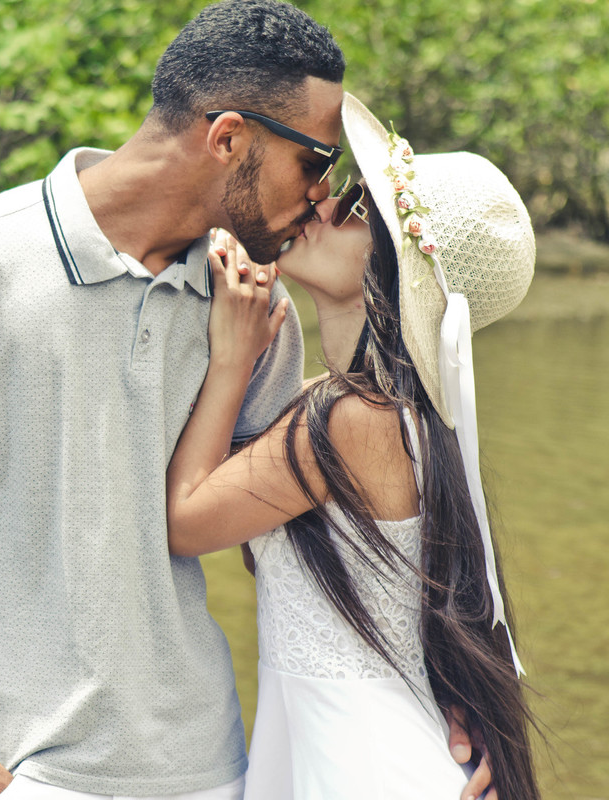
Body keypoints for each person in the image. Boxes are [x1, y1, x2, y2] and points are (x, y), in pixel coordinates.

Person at [0, 2, 489, 798]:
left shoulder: (255, 306)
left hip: (209, 771)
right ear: (228, 139)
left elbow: (308, 542)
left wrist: (453, 699)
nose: (321, 193)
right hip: (12, 771)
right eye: (316, 162)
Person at [166, 92, 539, 799]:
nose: (324, 202)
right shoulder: (384, 414)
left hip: (362, 761)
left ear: (400, 269)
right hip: (351, 742)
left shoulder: (352, 418)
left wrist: (231, 359)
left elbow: (185, 523)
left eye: (359, 207)